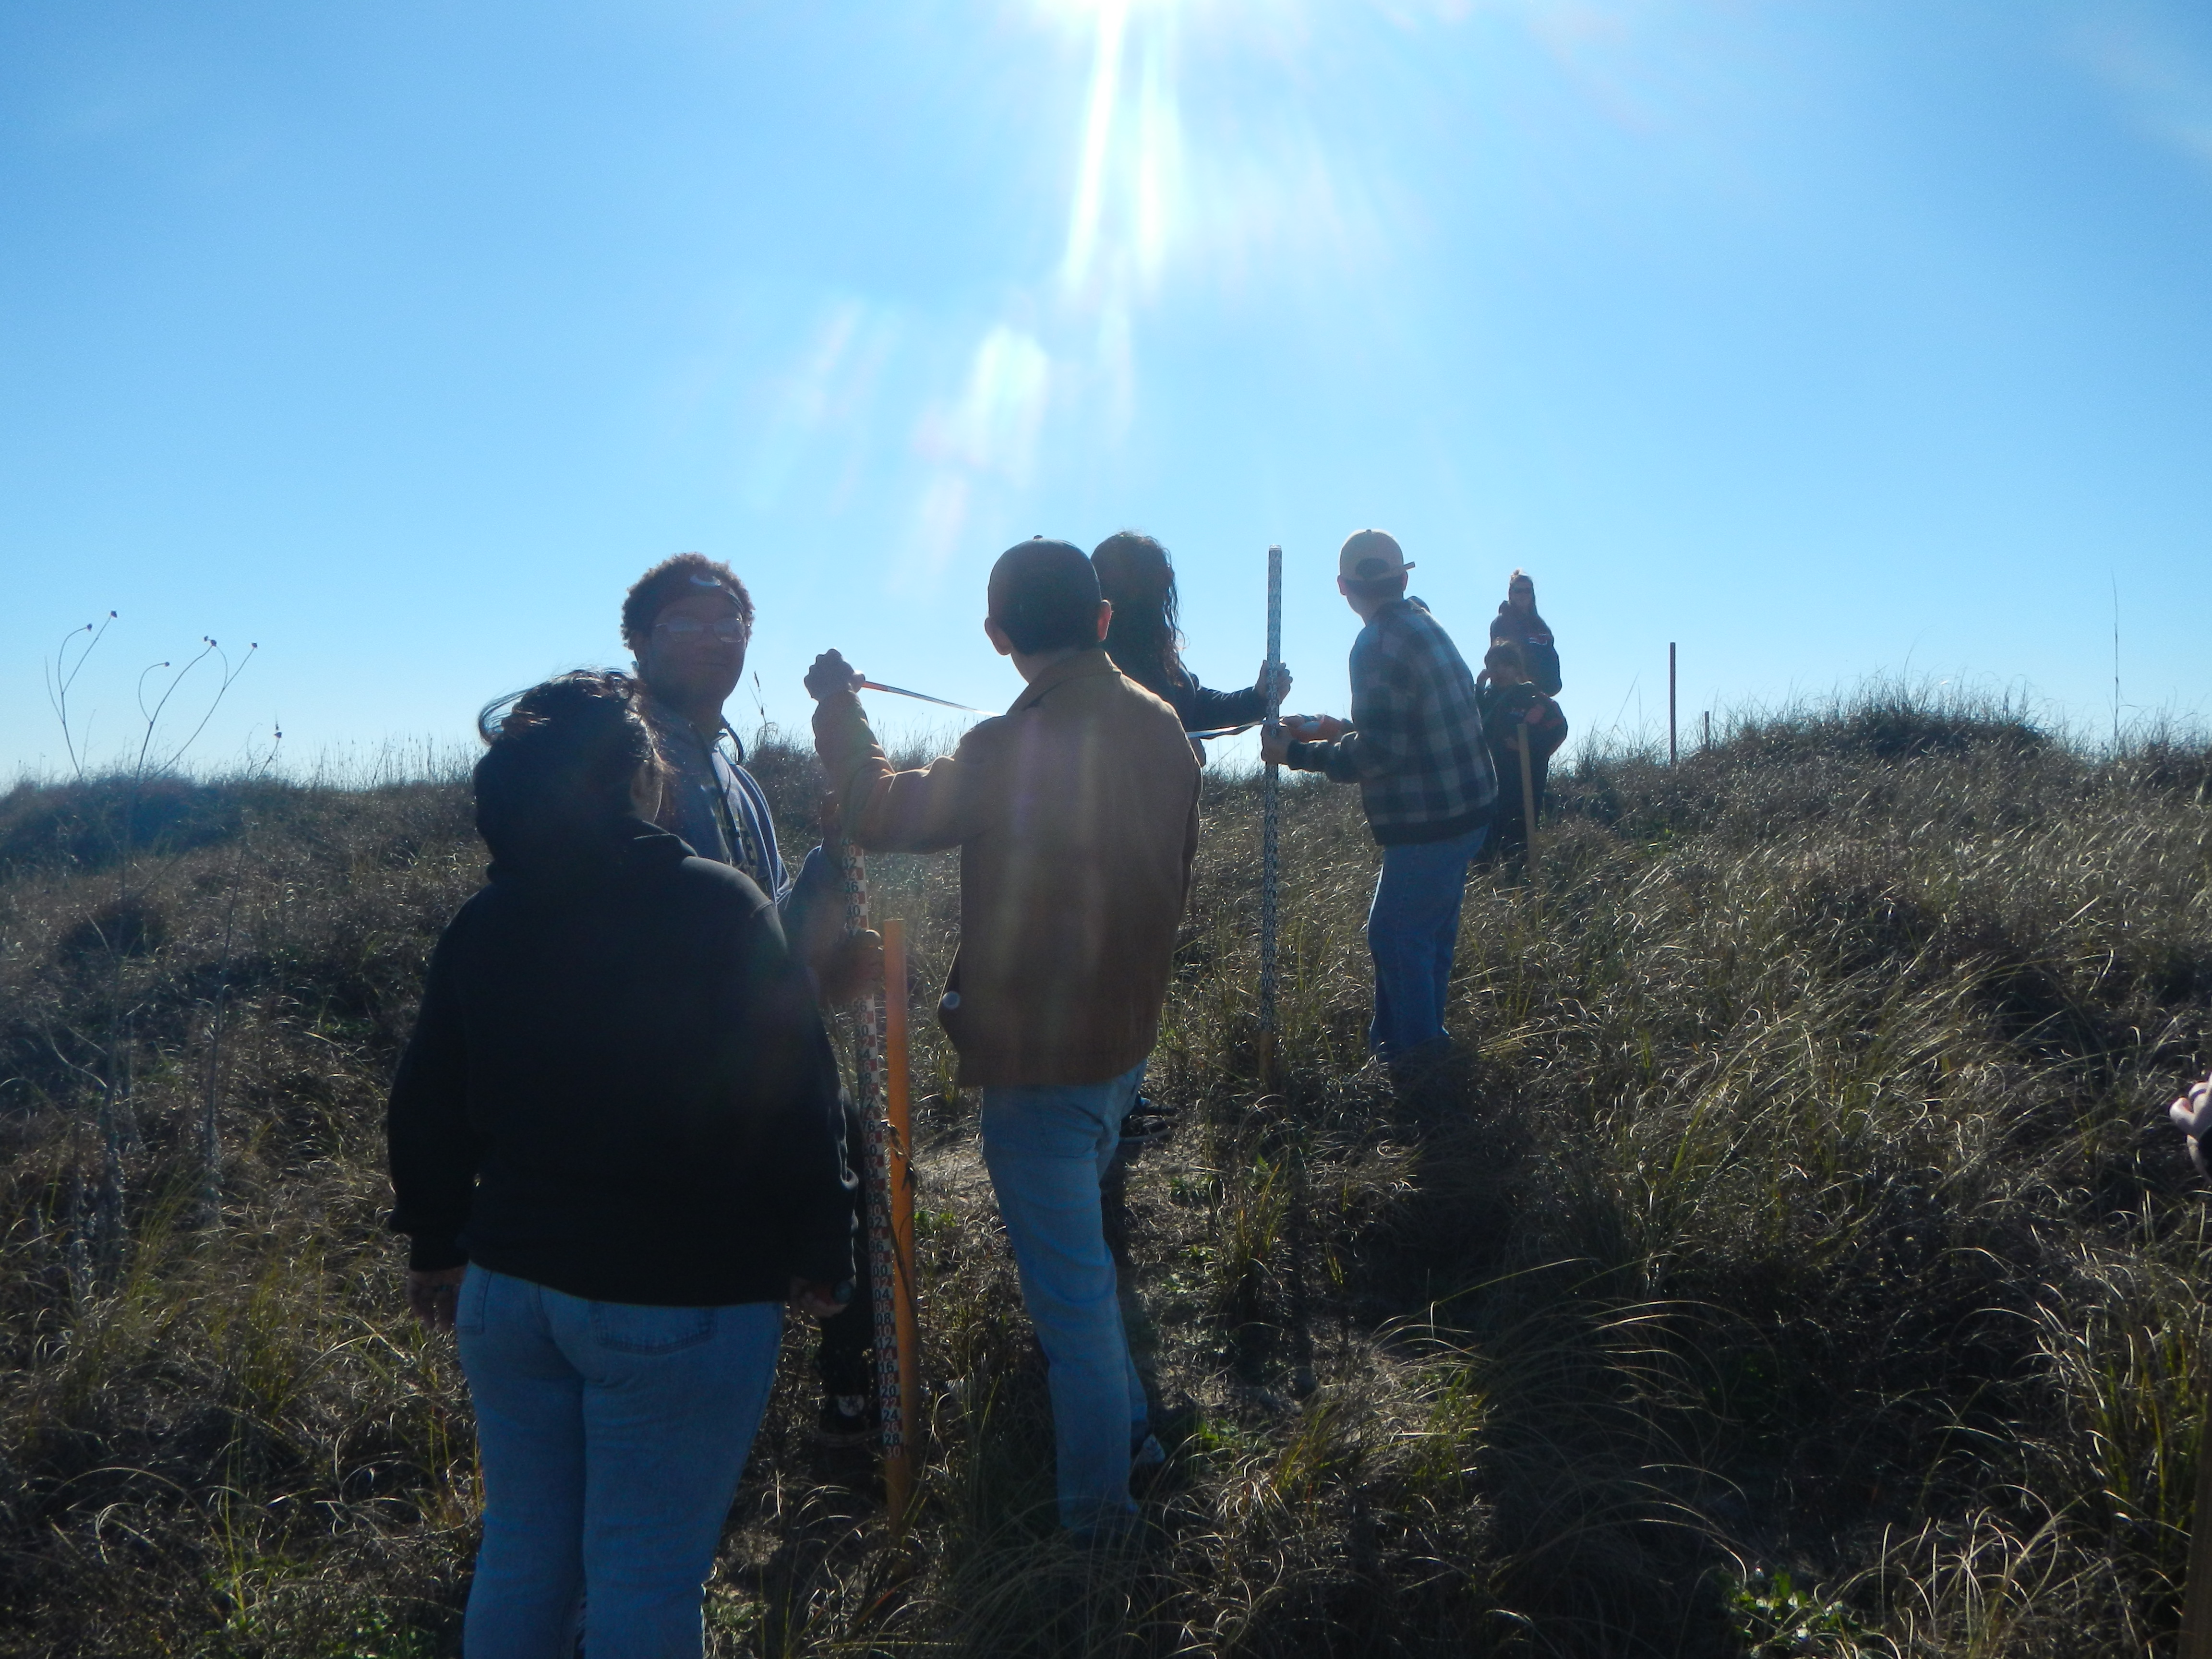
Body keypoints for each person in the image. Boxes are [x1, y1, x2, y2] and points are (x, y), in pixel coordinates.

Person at [386, 669, 855, 1658]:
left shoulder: (487, 919)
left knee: (523, 1558)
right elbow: (795, 1092)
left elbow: (428, 1098)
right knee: (643, 1572)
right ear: (640, 778)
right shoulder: (714, 905)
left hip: (510, 1293)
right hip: (679, 1295)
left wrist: (436, 1242)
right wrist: (822, 1240)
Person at [805, 538, 1201, 1538]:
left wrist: (840, 714)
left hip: (1042, 1068)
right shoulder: (1166, 730)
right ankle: (1136, 1443)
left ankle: (1097, 1529)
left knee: (1072, 1308)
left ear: (996, 637)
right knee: (1090, 1277)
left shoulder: (1007, 746)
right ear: (1105, 619)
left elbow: (873, 811)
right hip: (1122, 1046)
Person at [619, 552, 884, 1449]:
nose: (711, 641)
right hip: (666, 1082)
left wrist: (828, 858)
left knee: (848, 1177)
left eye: (728, 624)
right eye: (684, 625)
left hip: (761, 1063)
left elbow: (769, 919)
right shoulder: (624, 759)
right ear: (639, 640)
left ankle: (847, 1401)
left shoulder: (733, 774)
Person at [1262, 529, 1497, 1087]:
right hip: (1470, 808)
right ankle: (1407, 1052)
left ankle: (1416, 1068)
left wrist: (1296, 753)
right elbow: (1407, 720)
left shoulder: (1375, 645)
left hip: (1429, 819)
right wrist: (1335, 728)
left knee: (1395, 936)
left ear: (1344, 588)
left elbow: (1382, 753)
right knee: (1424, 936)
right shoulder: (1422, 622)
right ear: (1404, 578)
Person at [1091, 529, 1291, 1148]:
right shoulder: (1096, 656)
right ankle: (1106, 1109)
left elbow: (1194, 705)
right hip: (1109, 838)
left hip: (1152, 836)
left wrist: (1257, 699)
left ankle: (1120, 1098)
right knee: (1117, 971)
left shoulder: (1150, 652)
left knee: (1136, 968)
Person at [1475, 639, 1569, 863]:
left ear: (1517, 668)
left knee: (1517, 842)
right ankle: (1485, 891)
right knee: (1483, 848)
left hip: (1522, 782)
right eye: (1493, 665)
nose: (1499, 671)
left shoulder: (1533, 699)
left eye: (1505, 665)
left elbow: (1558, 730)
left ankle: (1521, 890)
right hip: (1485, 783)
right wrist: (1479, 687)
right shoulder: (1483, 699)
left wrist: (1527, 748)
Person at [1489, 568, 1562, 697]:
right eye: (1519, 591)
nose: (1523, 595)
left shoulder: (1541, 626)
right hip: (1515, 695)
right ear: (1511, 594)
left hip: (1543, 694)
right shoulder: (1502, 623)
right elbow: (1498, 660)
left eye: (1527, 591)